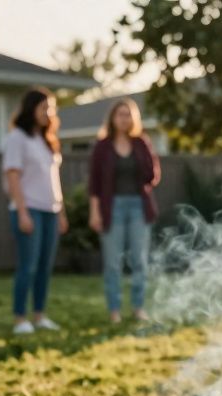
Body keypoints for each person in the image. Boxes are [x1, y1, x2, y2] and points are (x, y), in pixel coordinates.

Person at [88, 98, 161, 324]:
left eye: (128, 114)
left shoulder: (141, 143)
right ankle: (114, 310)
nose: (124, 118)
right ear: (112, 118)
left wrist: (146, 158)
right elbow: (95, 183)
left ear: (133, 118)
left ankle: (138, 307)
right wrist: (95, 212)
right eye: (120, 114)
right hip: (113, 208)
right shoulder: (102, 147)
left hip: (139, 206)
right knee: (112, 263)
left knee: (140, 261)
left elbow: (153, 176)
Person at [3, 87, 68, 335]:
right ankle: (20, 318)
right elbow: (12, 176)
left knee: (44, 267)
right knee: (28, 266)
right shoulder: (17, 138)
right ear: (32, 109)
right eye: (44, 107)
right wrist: (22, 212)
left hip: (50, 210)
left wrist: (61, 212)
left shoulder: (47, 140)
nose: (49, 112)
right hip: (29, 209)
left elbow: (54, 179)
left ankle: (39, 315)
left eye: (51, 108)